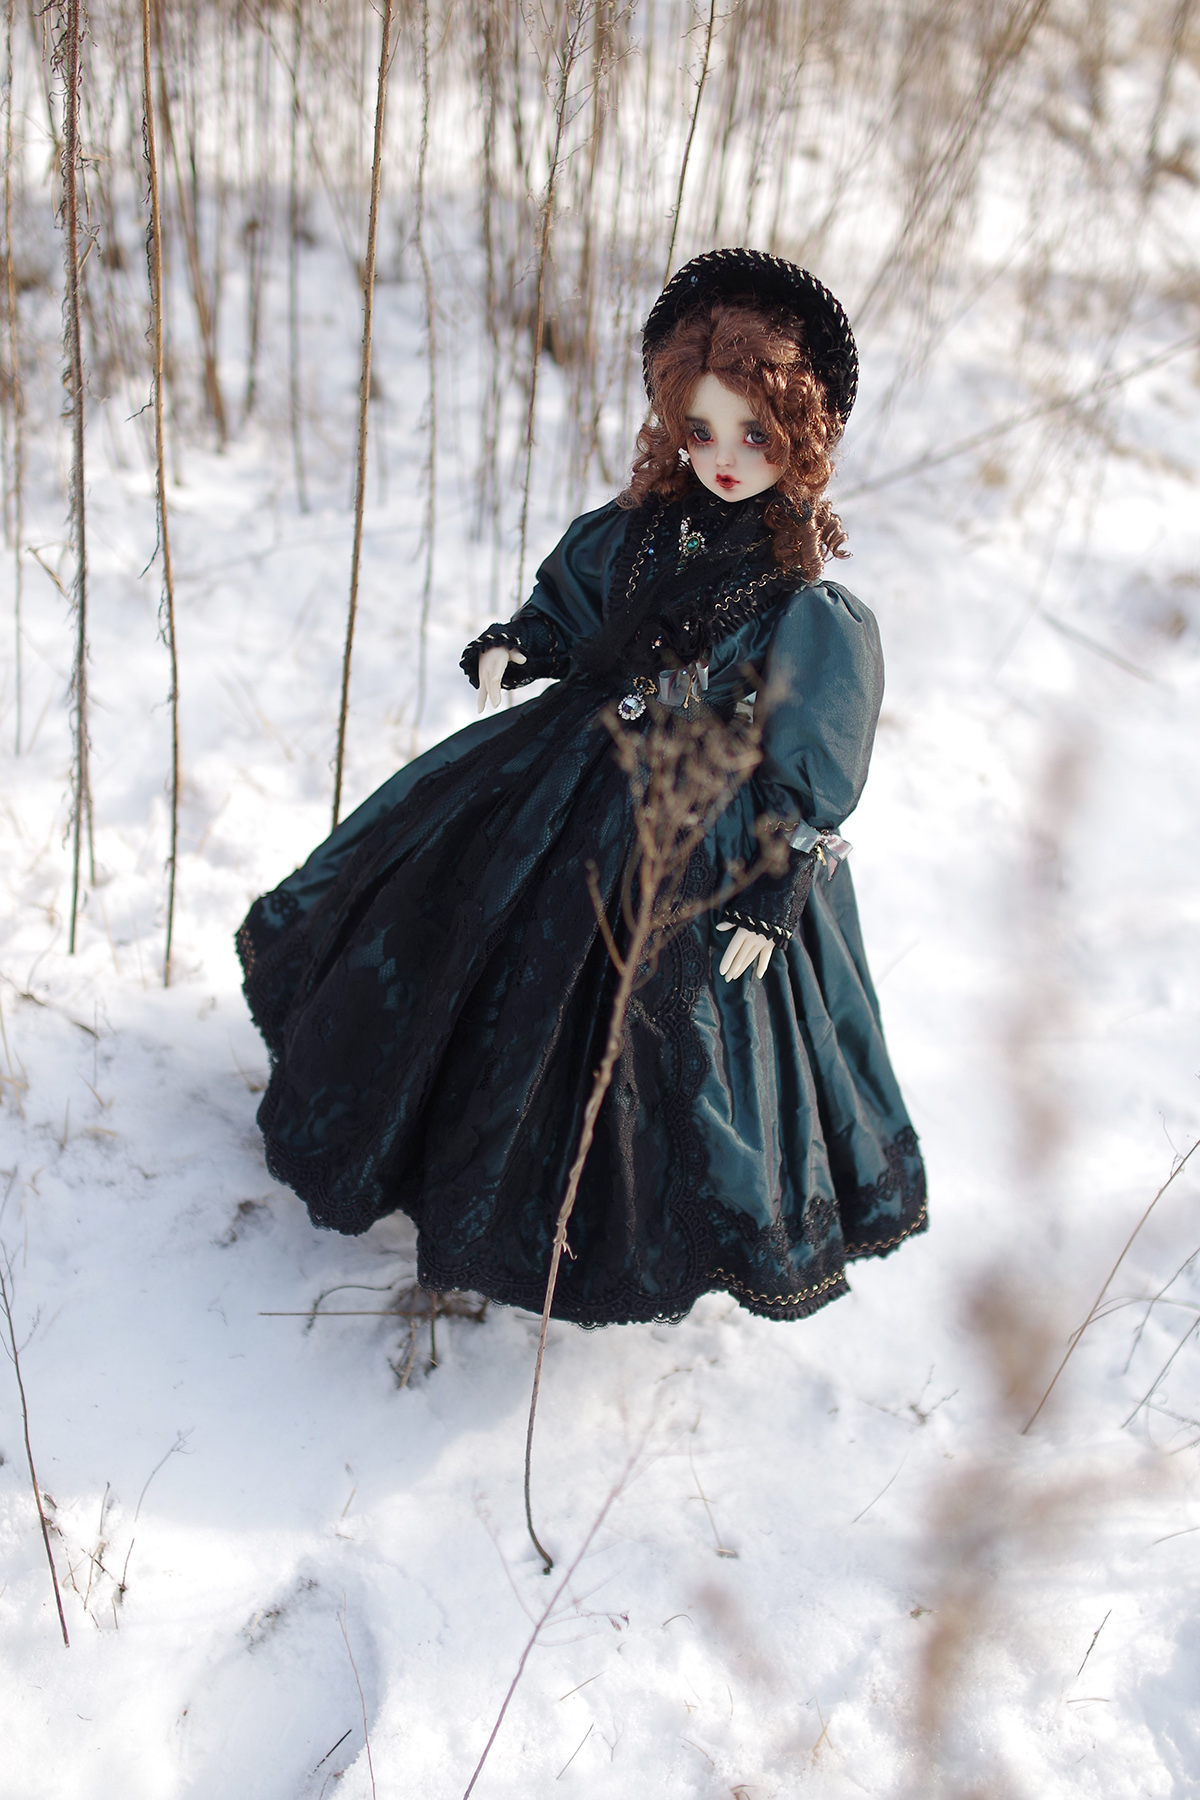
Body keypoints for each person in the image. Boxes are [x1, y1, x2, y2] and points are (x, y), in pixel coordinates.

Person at [237, 248, 926, 1327]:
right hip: (565, 775)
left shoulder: (804, 608)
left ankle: (611, 1228)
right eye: (700, 429)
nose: (725, 457)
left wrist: (775, 875)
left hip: (701, 826)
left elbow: (811, 753)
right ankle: (446, 1154)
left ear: (801, 437)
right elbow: (575, 606)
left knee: (662, 1035)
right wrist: (525, 643)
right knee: (473, 941)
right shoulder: (636, 530)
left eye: (755, 435)